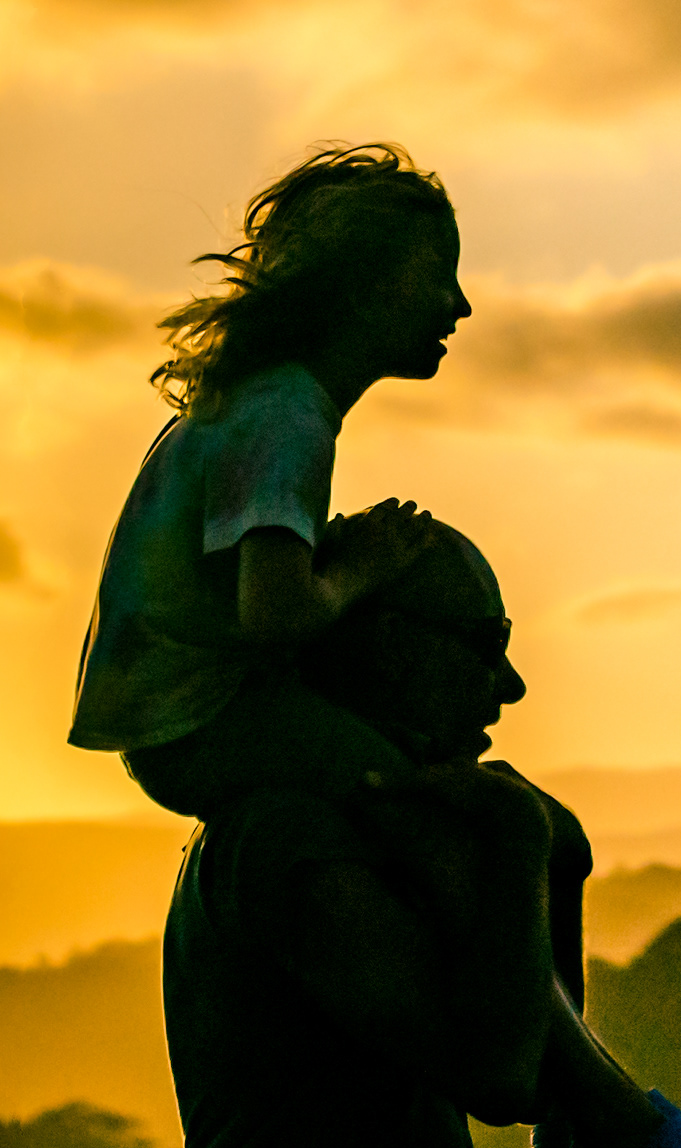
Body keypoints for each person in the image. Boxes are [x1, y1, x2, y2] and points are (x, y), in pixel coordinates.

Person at [163, 522, 681, 1148]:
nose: (511, 683)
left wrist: (559, 860)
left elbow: (536, 1045)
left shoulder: (370, 838)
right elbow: (501, 1073)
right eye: (486, 642)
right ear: (392, 645)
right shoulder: (290, 842)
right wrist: (521, 846)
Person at [68, 142, 463, 819]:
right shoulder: (289, 417)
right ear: (360, 289)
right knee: (448, 814)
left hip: (176, 719)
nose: (459, 305)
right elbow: (276, 612)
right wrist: (364, 568)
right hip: (204, 721)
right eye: (435, 274)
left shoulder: (268, 401)